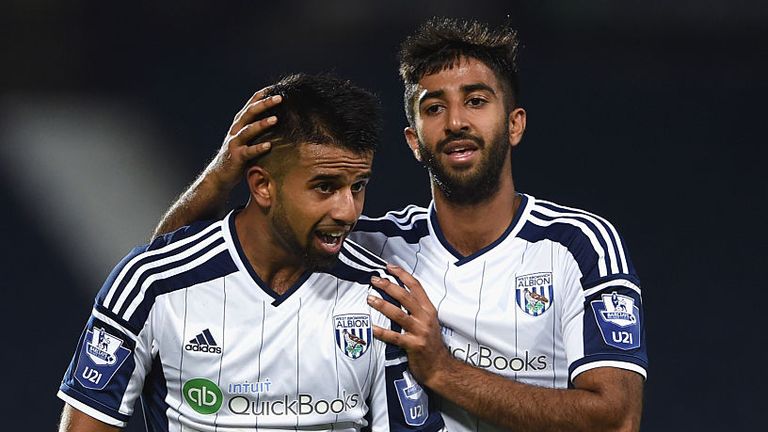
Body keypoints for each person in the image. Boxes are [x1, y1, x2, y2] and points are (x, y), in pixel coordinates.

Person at [152, 18, 648, 432]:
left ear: (514, 124)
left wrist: (443, 371)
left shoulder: (577, 246)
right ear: (413, 140)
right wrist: (218, 177)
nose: (455, 121)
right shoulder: (377, 245)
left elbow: (617, 418)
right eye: (435, 107)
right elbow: (166, 277)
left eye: (476, 101)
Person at [57, 73, 446, 432]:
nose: (347, 211)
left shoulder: (384, 299)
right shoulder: (151, 284)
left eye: (358, 186)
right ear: (262, 186)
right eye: (325, 187)